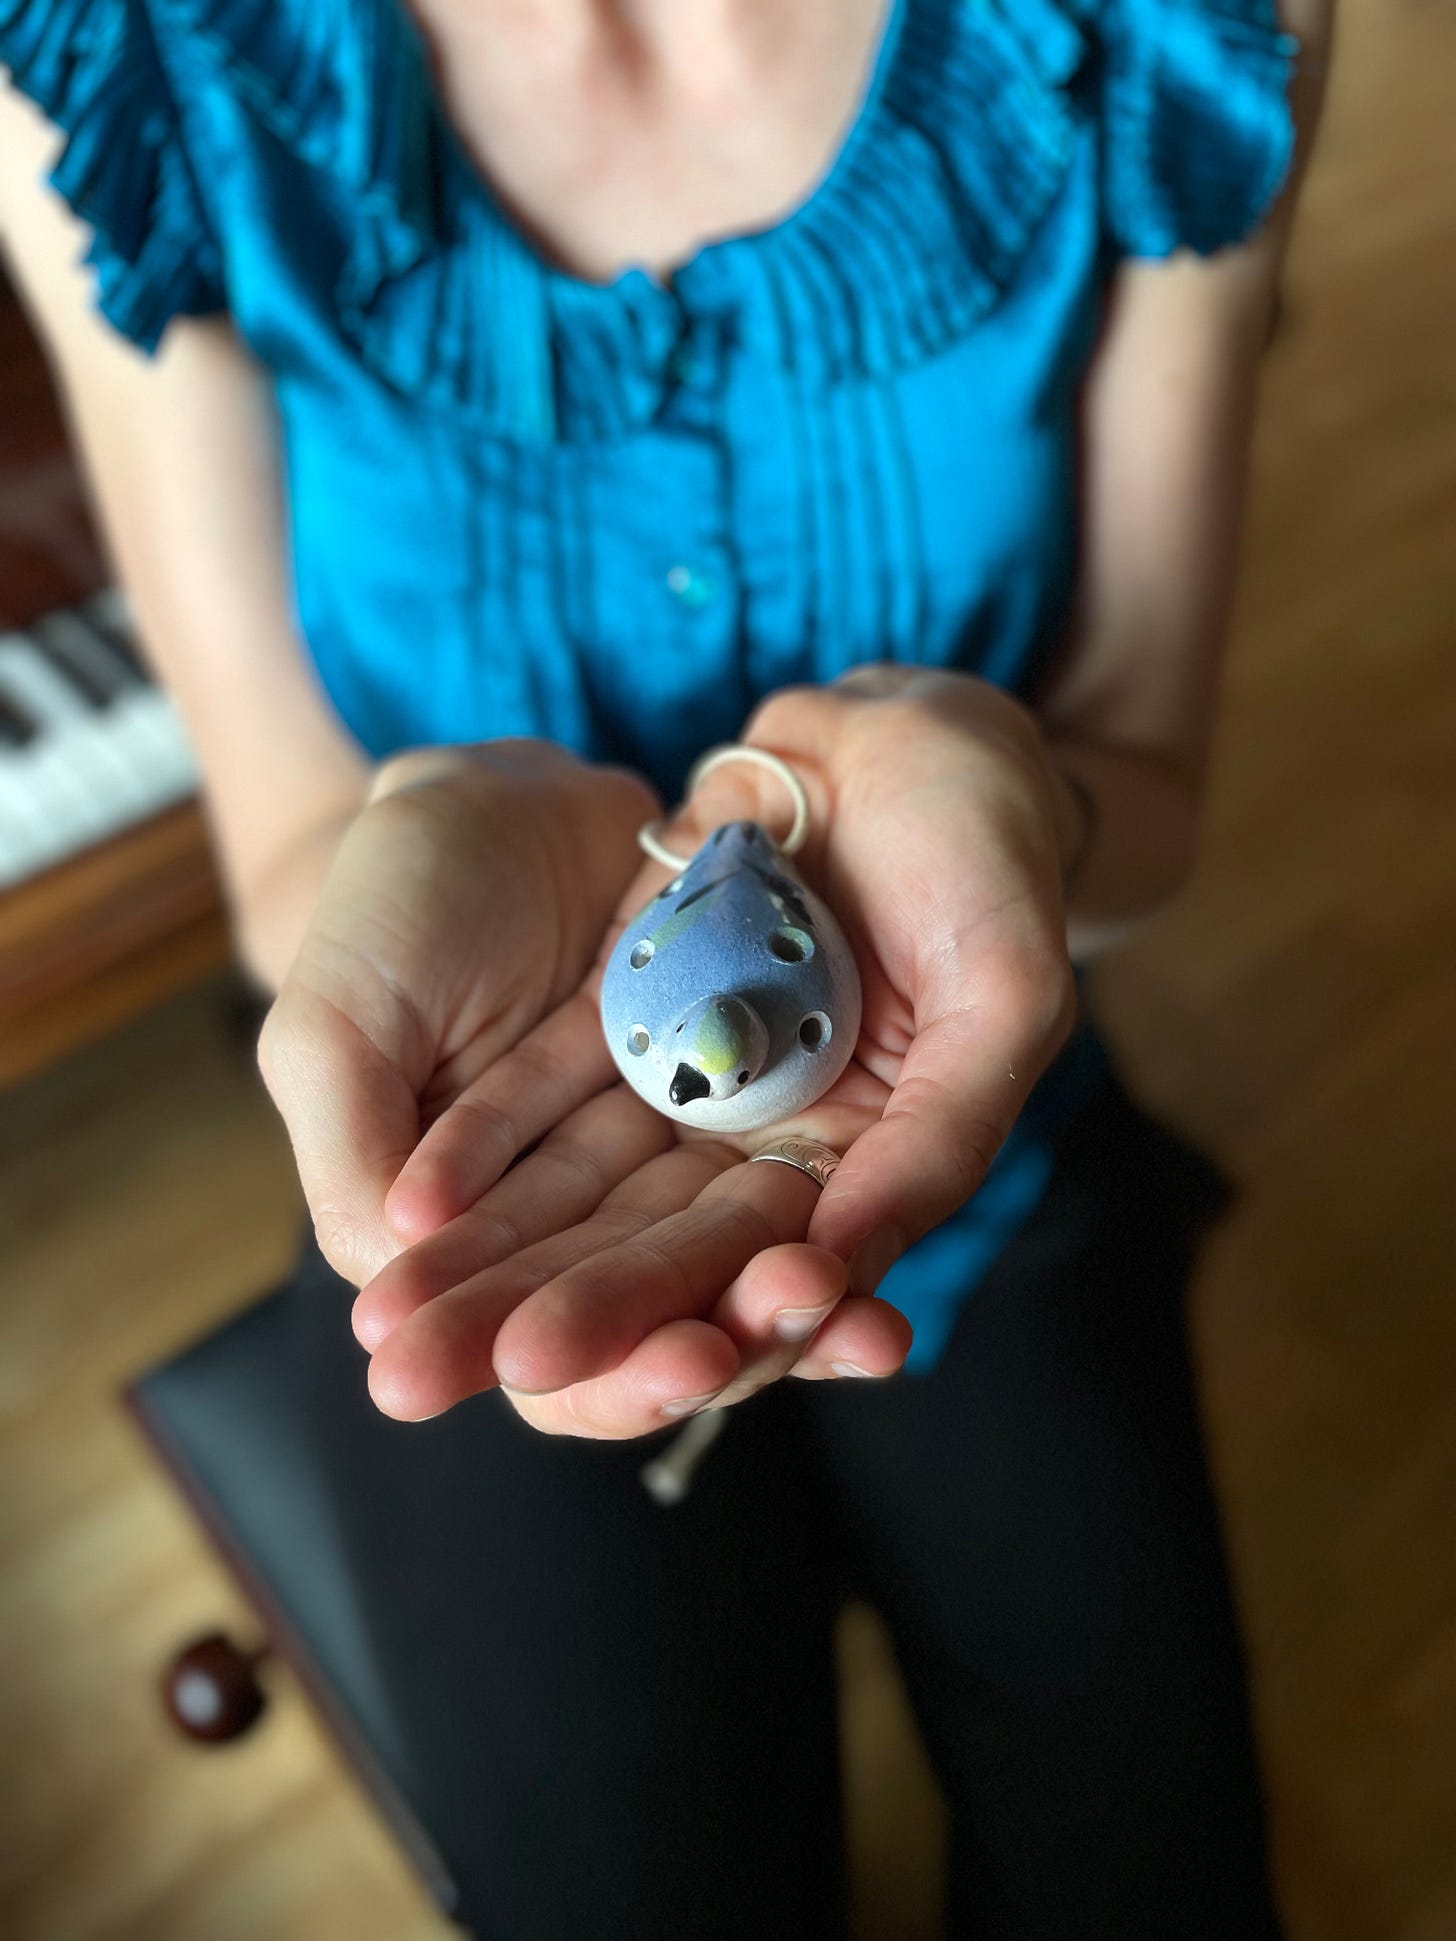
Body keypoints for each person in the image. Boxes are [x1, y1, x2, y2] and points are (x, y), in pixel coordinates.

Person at [1, 1, 1333, 1934]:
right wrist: (434, 818)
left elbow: (1155, 777)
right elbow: (291, 862)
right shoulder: (112, 55)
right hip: (496, 1185)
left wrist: (1010, 793)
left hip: (980, 1153)